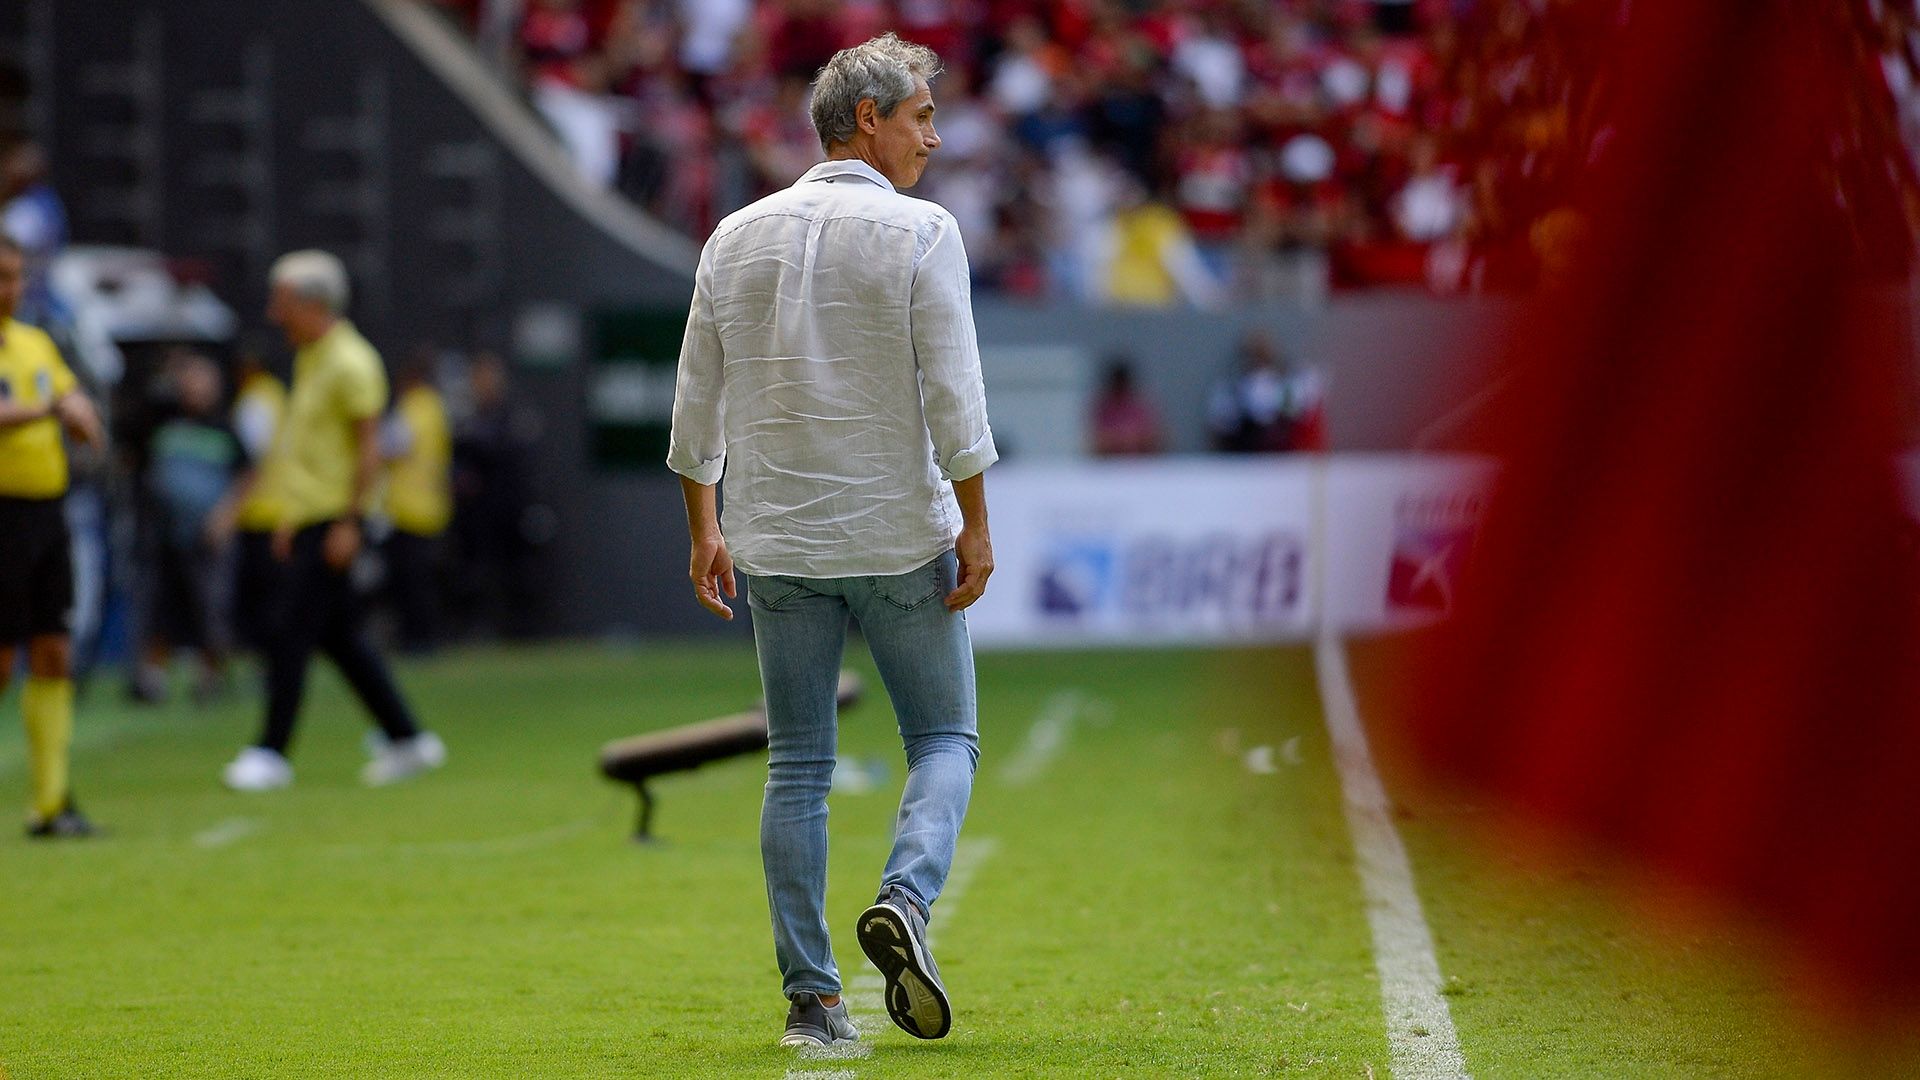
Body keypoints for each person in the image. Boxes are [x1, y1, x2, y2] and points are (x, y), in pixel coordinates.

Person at [667, 33, 997, 1051]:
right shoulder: (922, 232)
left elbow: (693, 402)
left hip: (775, 539)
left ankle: (812, 1001)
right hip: (898, 532)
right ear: (869, 119)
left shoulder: (733, 234)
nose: (933, 138)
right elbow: (954, 391)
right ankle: (903, 898)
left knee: (798, 767)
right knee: (943, 740)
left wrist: (704, 528)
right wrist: (978, 523)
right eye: (920, 117)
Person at [220, 251, 445, 792]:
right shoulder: (312, 356)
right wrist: (289, 518)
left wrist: (349, 522)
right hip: (309, 518)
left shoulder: (350, 362)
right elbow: (310, 451)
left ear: (312, 303)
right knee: (340, 638)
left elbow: (369, 451)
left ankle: (270, 751)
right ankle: (406, 737)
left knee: (289, 633)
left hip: (334, 520)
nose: (274, 315)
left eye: (282, 302)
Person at [0, 235, 103, 837]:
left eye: (14, 276)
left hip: (46, 512)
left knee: (53, 651)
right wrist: (50, 409)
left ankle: (52, 801)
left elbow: (68, 391)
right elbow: (39, 405)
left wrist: (82, 411)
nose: (8, 289)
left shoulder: (35, 342)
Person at [131, 351, 251, 702]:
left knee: (210, 608)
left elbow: (249, 474)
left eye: (204, 382)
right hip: (164, 534)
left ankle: (209, 677)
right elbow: (132, 444)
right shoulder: (162, 420)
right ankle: (152, 678)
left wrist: (225, 517)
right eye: (191, 381)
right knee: (158, 607)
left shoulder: (225, 425)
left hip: (208, 535)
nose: (197, 389)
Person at [380, 348, 453, 653]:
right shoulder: (436, 407)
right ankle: (426, 638)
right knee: (424, 582)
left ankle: (417, 640)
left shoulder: (412, 409)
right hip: (432, 506)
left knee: (411, 583)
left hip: (408, 509)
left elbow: (389, 446)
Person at [228, 340, 288, 658]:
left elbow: (253, 462)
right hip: (280, 507)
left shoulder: (254, 401)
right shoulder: (278, 395)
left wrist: (228, 511)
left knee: (261, 596)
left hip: (261, 511)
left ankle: (267, 659)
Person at [1088, 356, 1165, 456]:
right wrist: (1118, 440)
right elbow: (1094, 439)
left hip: (1140, 463)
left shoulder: (1139, 405)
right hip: (1109, 464)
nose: (1120, 388)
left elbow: (1157, 436)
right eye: (1117, 384)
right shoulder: (1102, 407)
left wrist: (1133, 440)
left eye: (1122, 384)